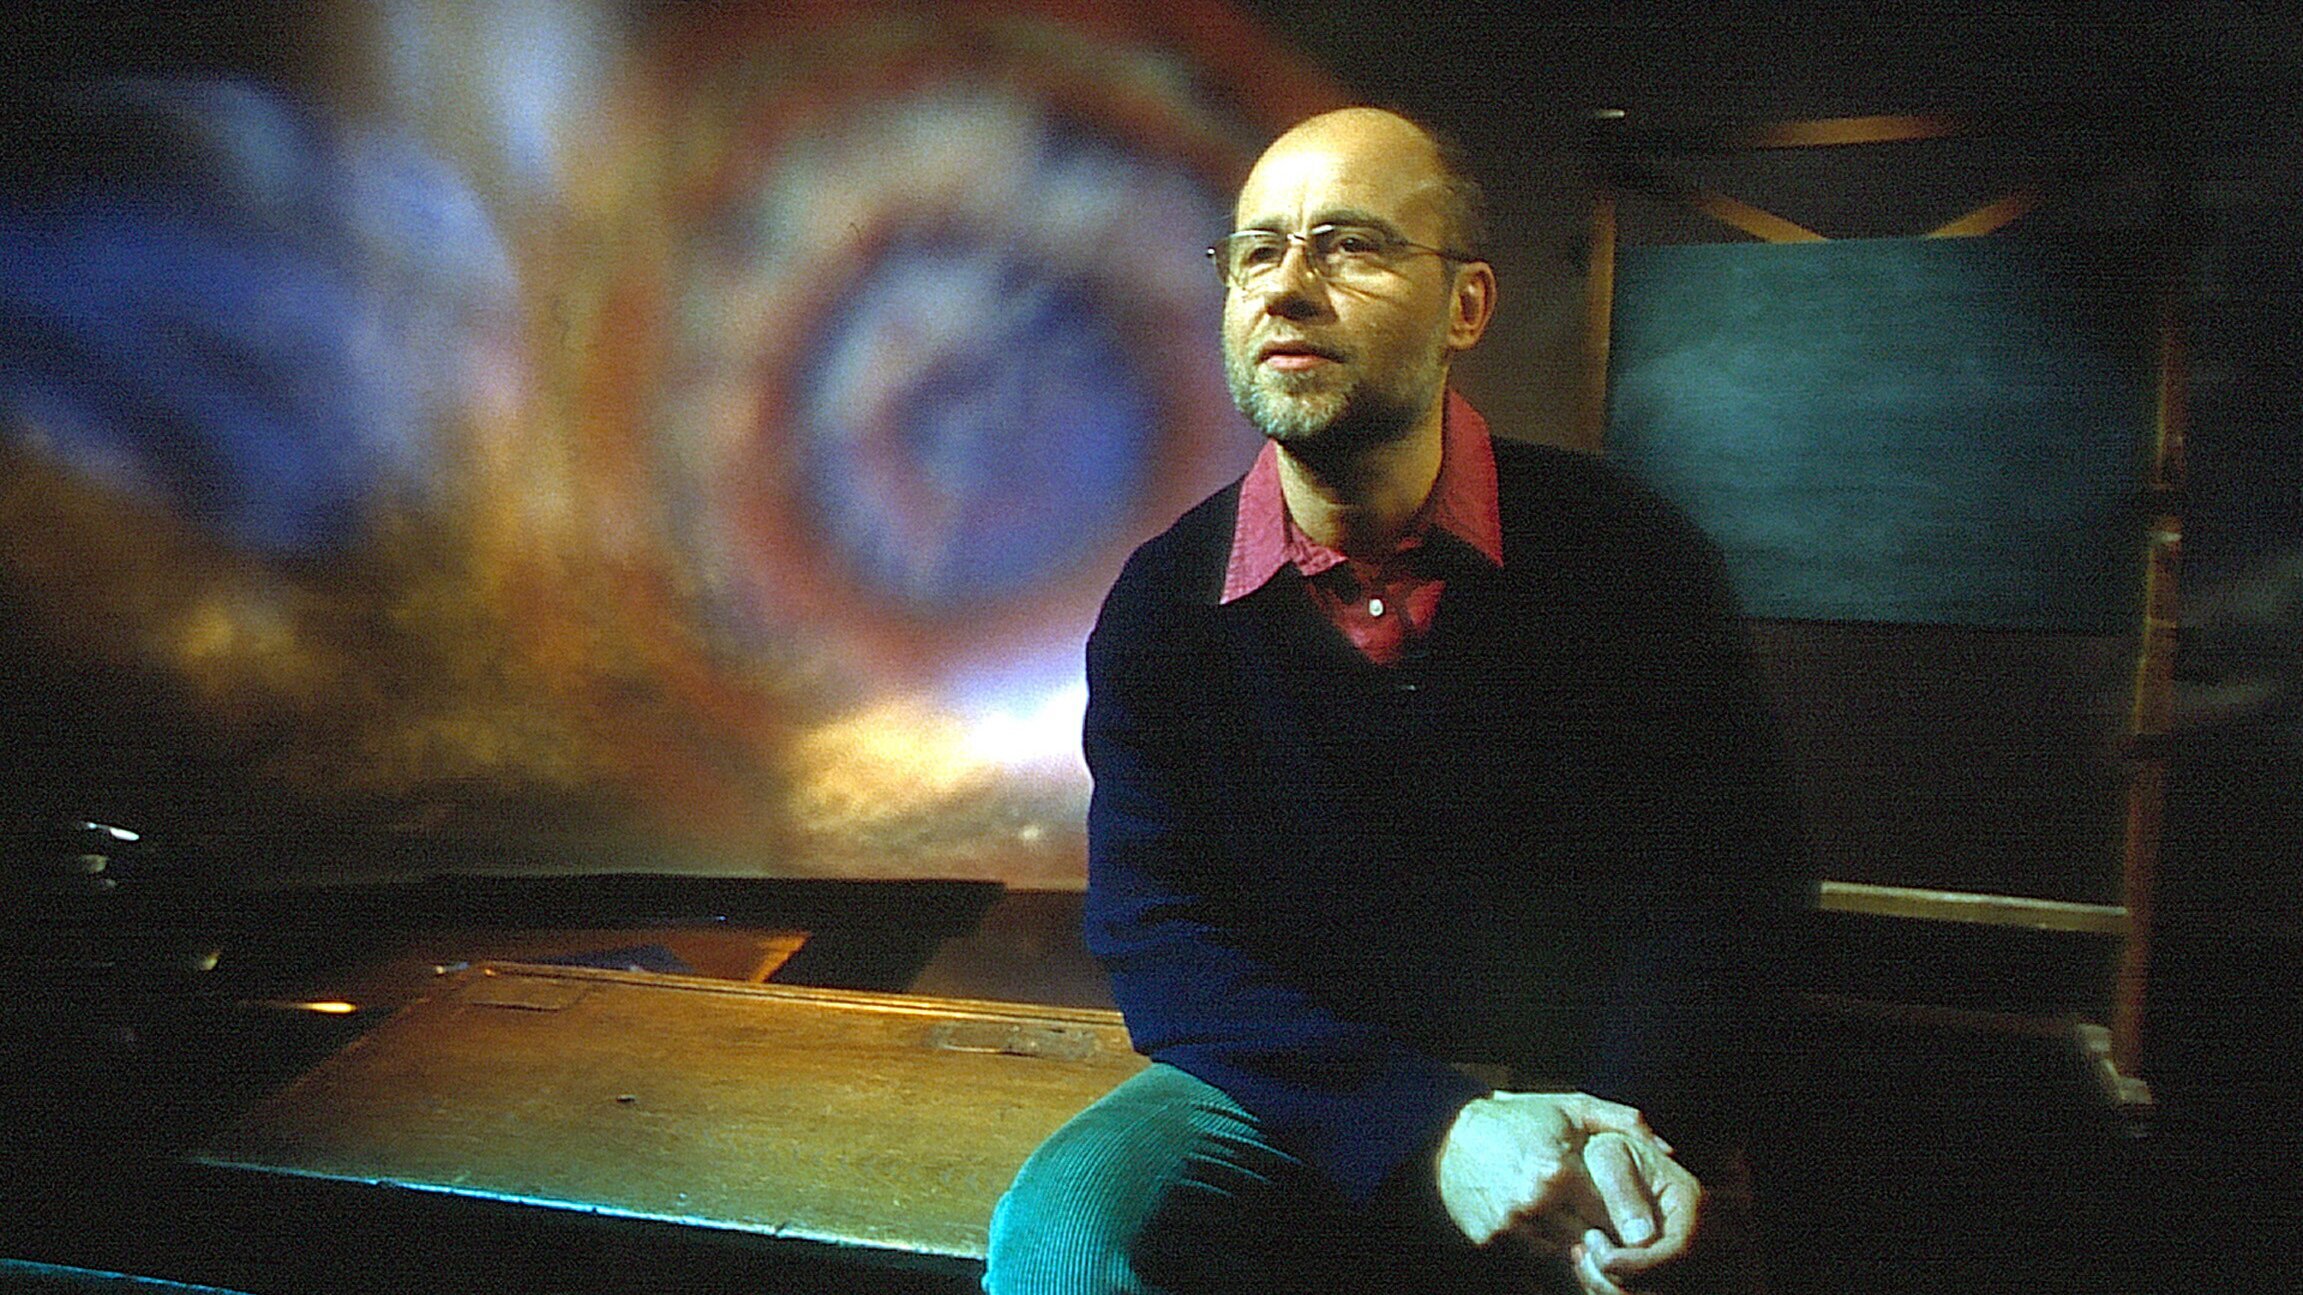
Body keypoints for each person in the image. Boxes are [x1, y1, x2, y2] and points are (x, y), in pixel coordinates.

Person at [985, 107, 1808, 1295]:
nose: (1286, 287)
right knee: (1065, 1242)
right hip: (1293, 1087)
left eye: (1349, 246)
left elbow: (1732, 890)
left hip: (1593, 1093)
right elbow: (1157, 935)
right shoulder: (1162, 605)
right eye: (1257, 251)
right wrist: (1432, 1123)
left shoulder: (1632, 556)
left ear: (1464, 305)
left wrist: (1630, 1128)